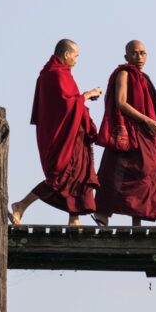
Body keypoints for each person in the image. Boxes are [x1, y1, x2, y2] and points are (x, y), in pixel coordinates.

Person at [9, 39, 103, 226]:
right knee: (60, 177)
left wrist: (81, 100)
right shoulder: (55, 74)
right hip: (65, 136)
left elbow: (70, 102)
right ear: (67, 54)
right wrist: (88, 95)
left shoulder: (58, 73)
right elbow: (66, 105)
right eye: (75, 56)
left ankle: (74, 219)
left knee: (78, 177)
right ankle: (21, 205)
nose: (76, 60)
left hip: (75, 133)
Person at [93, 40, 156, 226]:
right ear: (126, 57)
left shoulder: (144, 78)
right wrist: (147, 120)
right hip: (129, 134)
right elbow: (121, 102)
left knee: (144, 176)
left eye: (142, 53)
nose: (139, 57)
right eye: (134, 53)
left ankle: (136, 222)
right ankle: (102, 213)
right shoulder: (124, 73)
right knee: (114, 172)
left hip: (145, 136)